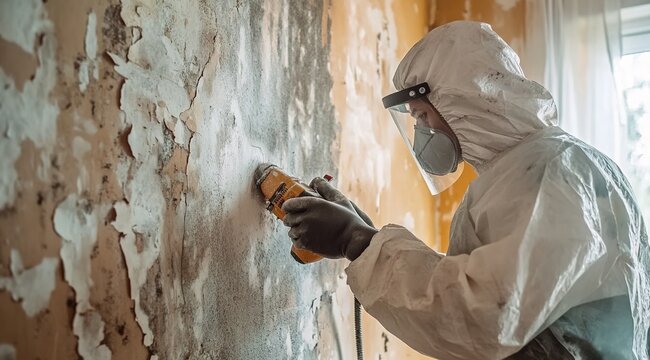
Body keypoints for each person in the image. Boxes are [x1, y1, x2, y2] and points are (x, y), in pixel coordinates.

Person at [281, 21, 649, 359]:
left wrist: (355, 240)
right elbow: (480, 281)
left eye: (422, 116)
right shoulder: (539, 165)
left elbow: (487, 313)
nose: (421, 132)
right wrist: (370, 238)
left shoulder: (549, 172)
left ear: (462, 100)